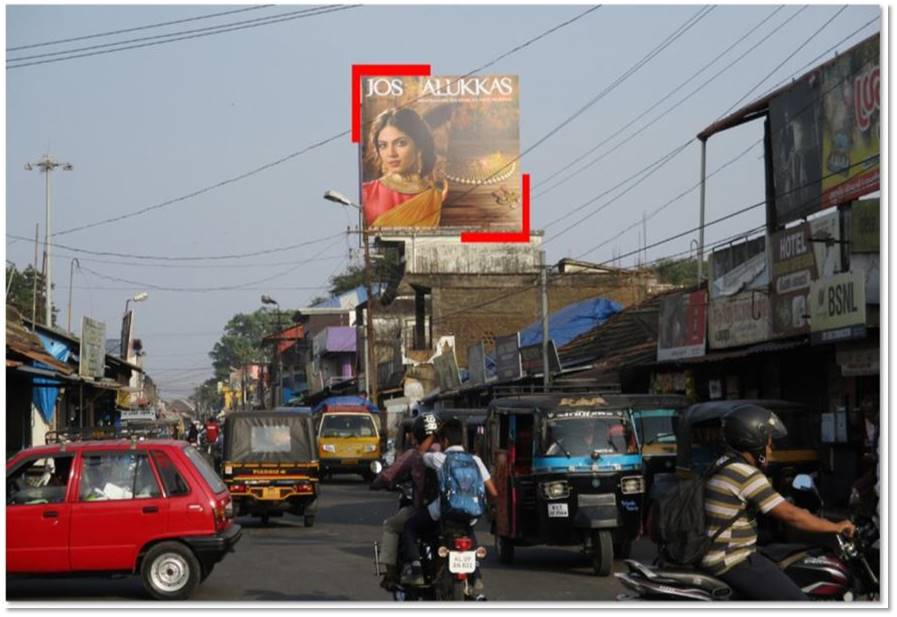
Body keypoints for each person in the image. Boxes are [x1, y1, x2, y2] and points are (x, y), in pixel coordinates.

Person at [701, 404, 856, 601]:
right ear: (754, 439)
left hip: (719, 553)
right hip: (732, 560)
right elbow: (792, 517)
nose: (771, 447)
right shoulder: (745, 473)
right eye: (768, 440)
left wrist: (802, 513)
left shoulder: (722, 464)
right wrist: (836, 526)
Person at [401, 418, 498, 586]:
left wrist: (432, 436)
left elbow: (420, 454)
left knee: (410, 527)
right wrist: (488, 506)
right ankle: (476, 575)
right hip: (471, 514)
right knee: (469, 531)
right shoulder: (476, 460)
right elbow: (493, 492)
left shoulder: (440, 459)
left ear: (444, 440)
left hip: (443, 512)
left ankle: (416, 569)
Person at [369, 413, 439, 590]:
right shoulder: (446, 452)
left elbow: (389, 475)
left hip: (422, 510)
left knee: (391, 526)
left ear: (417, 435)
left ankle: (391, 575)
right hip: (448, 511)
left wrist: (376, 483)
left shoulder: (414, 455)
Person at [362, 107, 446, 229]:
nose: (391, 153)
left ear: (419, 146)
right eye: (383, 145)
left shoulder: (437, 197)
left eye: (400, 143)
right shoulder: (364, 193)